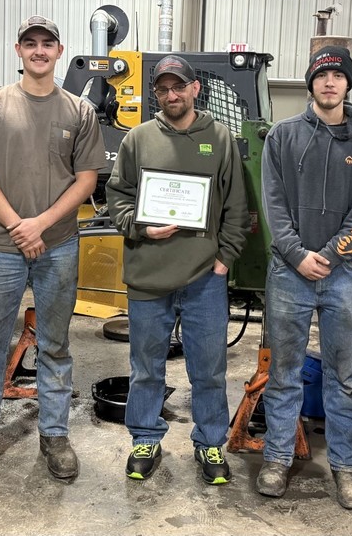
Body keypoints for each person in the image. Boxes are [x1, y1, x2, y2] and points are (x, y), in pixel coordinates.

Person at [0, 15, 106, 487]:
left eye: (48, 44)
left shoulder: (79, 112)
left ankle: (54, 437)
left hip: (58, 244)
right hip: (1, 245)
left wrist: (41, 224)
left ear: (60, 52)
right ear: (18, 51)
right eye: (30, 43)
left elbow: (87, 180)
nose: (39, 51)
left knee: (56, 345)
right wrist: (19, 226)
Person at [105, 55, 250, 485]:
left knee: (208, 368)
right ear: (157, 95)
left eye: (178, 87)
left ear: (194, 89)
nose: (171, 95)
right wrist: (140, 226)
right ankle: (145, 438)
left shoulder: (219, 138)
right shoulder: (139, 139)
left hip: (205, 276)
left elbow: (237, 208)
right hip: (149, 274)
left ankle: (209, 444)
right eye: (163, 89)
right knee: (146, 366)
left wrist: (225, 258)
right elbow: (117, 199)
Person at [256, 45, 352, 508]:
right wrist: (296, 254)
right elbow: (272, 203)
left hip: (345, 275)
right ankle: (276, 459)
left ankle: (346, 470)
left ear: (348, 83)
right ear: (310, 83)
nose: (329, 82)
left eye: (338, 75)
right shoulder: (283, 136)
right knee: (285, 373)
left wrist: (329, 255)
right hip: (290, 273)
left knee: (343, 375)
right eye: (321, 74)